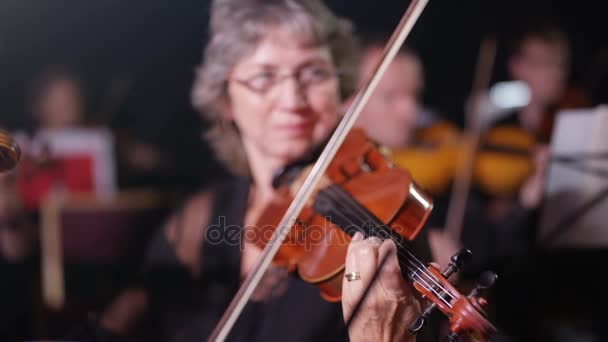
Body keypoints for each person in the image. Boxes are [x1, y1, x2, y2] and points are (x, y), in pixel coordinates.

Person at [90, 1, 422, 341]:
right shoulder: (197, 223)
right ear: (226, 100)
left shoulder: (383, 211)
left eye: (314, 73)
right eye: (264, 77)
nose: (292, 99)